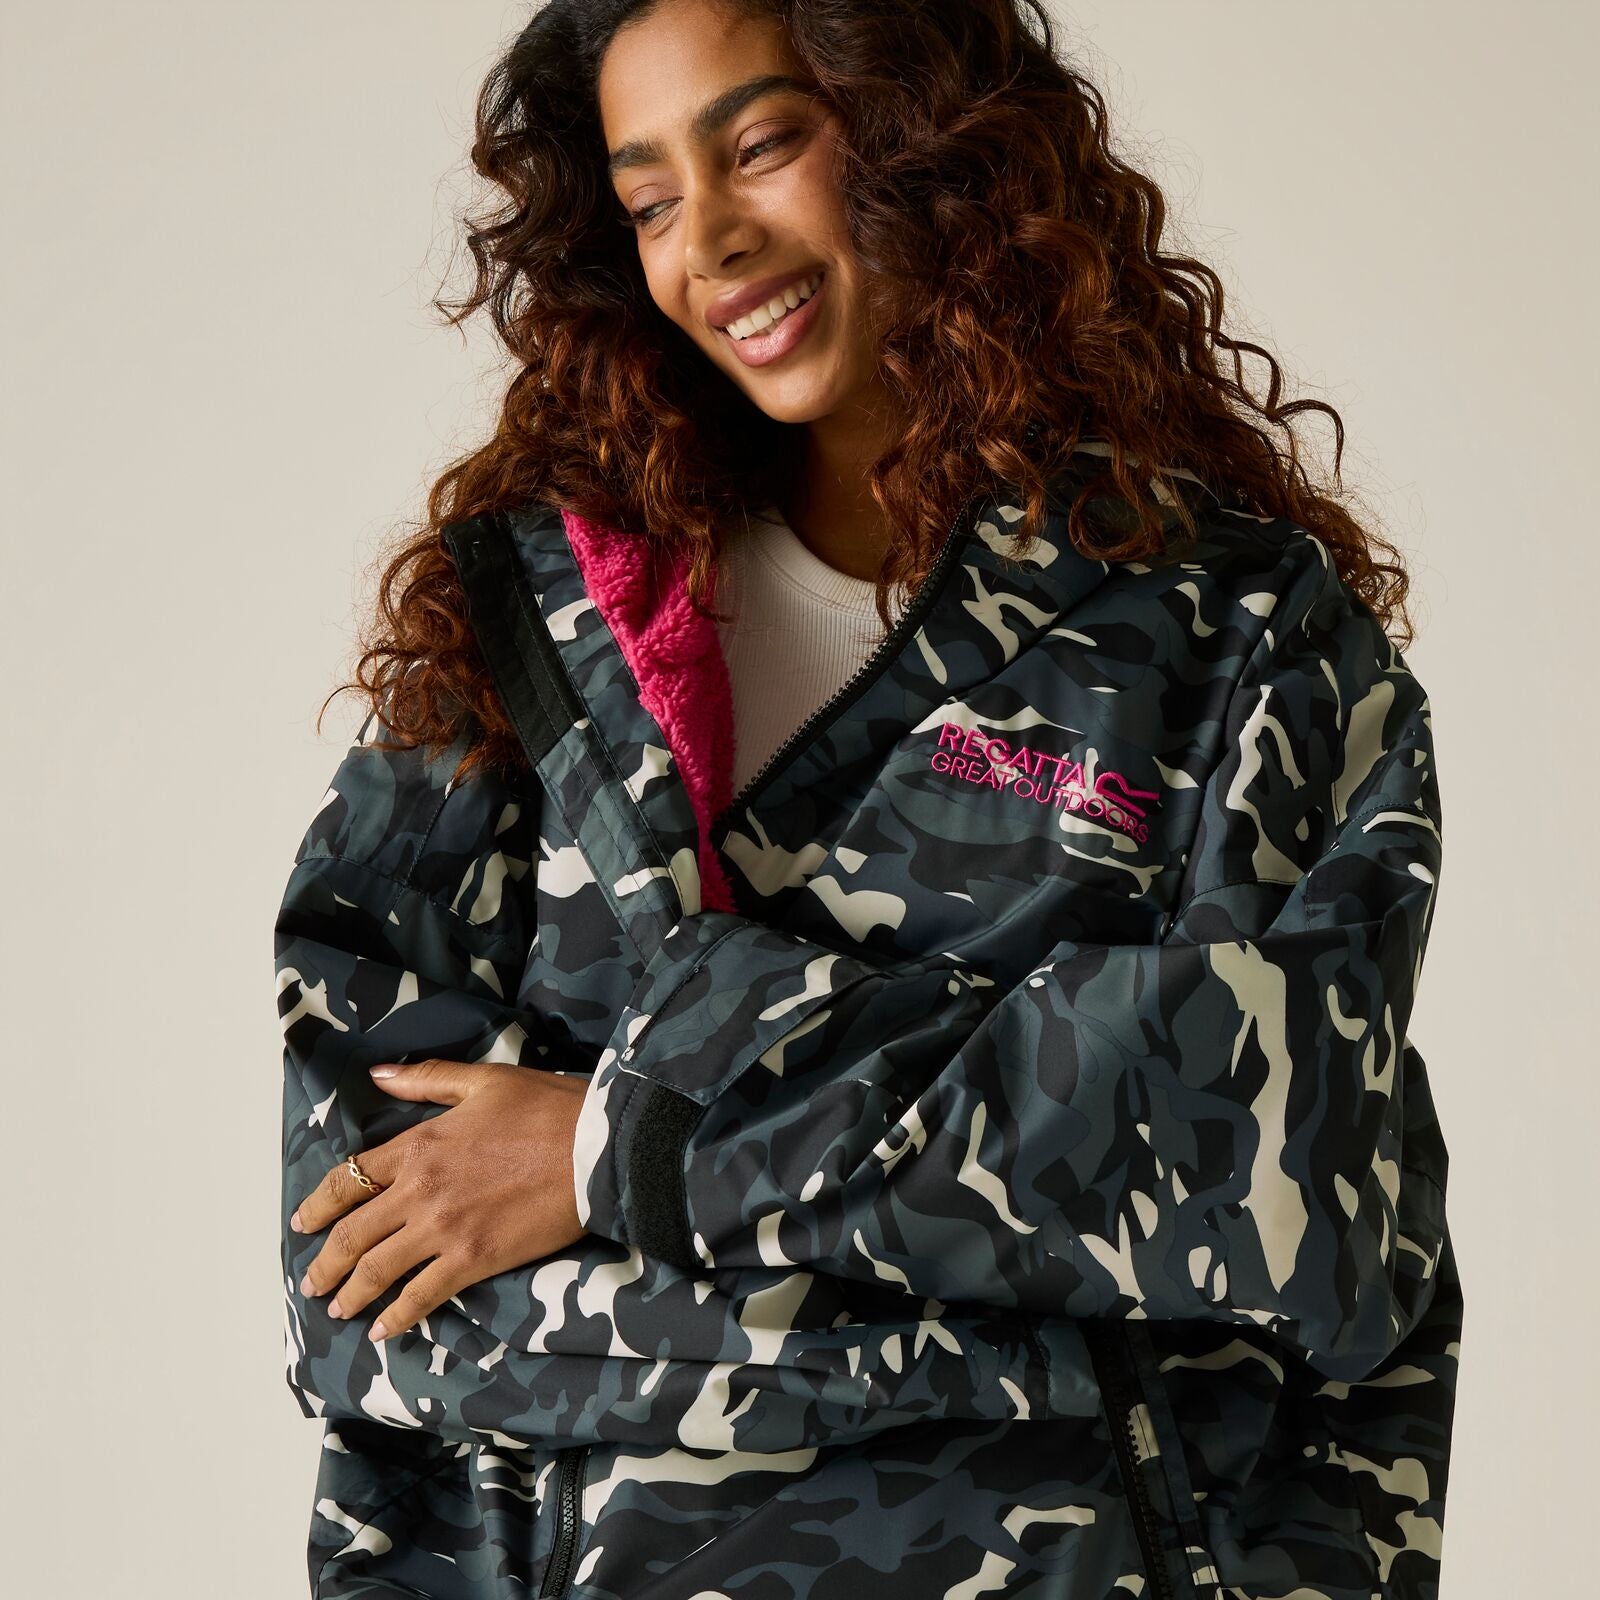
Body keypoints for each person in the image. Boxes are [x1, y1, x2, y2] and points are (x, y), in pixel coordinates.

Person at [274, 1, 1461, 1595]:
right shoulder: (522, 648)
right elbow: (367, 1302)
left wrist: (617, 1146)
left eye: (764, 142)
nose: (710, 240)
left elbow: (1289, 1171)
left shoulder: (1238, 641)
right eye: (649, 200)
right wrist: (1022, 1292)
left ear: (924, 140)